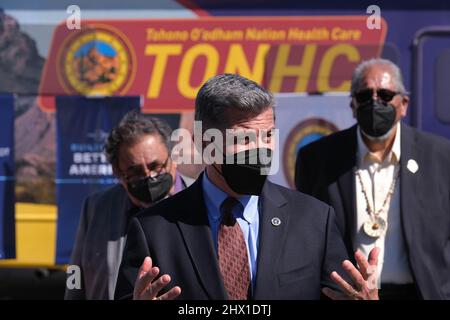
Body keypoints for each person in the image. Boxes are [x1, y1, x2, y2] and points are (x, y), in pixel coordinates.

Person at [115, 74, 379, 300]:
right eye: (244, 138)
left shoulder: (314, 221)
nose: (260, 150)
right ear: (206, 144)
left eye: (267, 136)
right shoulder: (154, 230)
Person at [295, 58, 450, 300]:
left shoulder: (440, 157)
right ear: (353, 105)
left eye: (386, 95)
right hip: (348, 296)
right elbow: (305, 237)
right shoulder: (317, 159)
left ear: (404, 104)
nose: (375, 102)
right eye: (365, 95)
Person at [65, 112, 186, 300]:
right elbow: (75, 271)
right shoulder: (97, 207)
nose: (149, 176)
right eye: (135, 171)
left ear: (173, 159)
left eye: (156, 166)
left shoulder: (200, 202)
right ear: (118, 172)